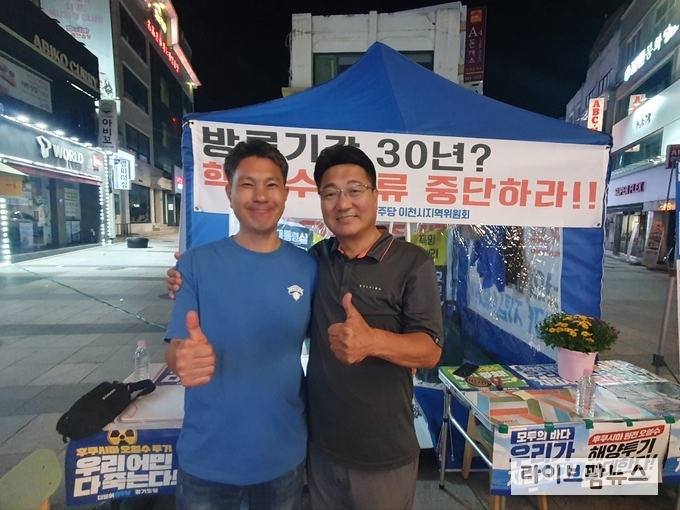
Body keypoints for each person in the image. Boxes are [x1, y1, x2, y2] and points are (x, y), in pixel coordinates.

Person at [168, 144, 443, 510]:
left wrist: (373, 342)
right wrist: (181, 344)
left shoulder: (394, 262)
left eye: (355, 190)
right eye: (330, 193)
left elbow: (430, 350)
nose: (343, 203)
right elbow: (180, 342)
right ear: (228, 191)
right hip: (287, 452)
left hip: (347, 454)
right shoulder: (312, 261)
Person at [164, 139, 317, 510]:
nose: (260, 196)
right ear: (229, 192)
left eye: (271, 184)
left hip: (282, 456)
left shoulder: (309, 268)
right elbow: (177, 347)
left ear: (285, 193)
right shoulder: (195, 264)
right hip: (207, 458)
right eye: (247, 184)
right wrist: (181, 359)